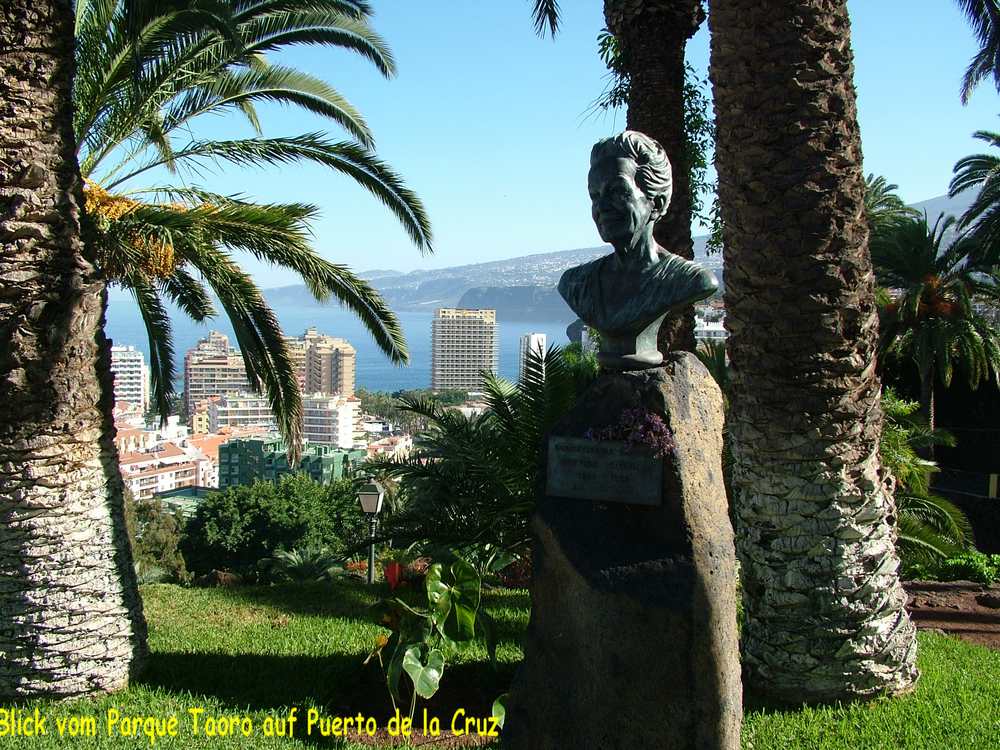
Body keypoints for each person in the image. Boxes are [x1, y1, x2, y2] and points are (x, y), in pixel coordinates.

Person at [558, 131, 717, 368]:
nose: (601, 206)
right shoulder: (576, 284)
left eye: (617, 191)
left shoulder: (689, 280)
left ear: (656, 203)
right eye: (595, 196)